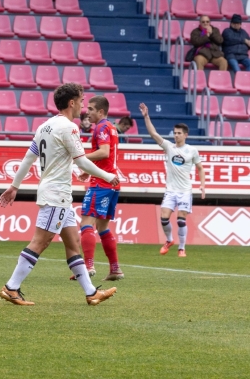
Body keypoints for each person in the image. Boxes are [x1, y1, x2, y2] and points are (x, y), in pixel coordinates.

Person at [0, 83, 119, 307]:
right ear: (72, 102)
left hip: (56, 193)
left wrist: (14, 186)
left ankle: (91, 293)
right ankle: (11, 287)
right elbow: (81, 161)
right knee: (40, 242)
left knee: (73, 243)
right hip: (57, 194)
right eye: (81, 101)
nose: (83, 105)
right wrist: (109, 176)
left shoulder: (45, 126)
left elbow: (28, 158)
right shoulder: (68, 127)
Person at [139, 103, 205, 257]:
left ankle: (182, 248)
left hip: (184, 191)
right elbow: (153, 134)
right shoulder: (169, 147)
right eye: (175, 133)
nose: (176, 135)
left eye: (179, 133)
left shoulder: (192, 151)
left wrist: (202, 185)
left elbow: (200, 168)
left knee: (181, 220)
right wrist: (146, 117)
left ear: (185, 135)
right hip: (170, 190)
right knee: (164, 217)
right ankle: (169, 240)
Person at [76, 96, 124, 281]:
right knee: (103, 226)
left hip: (101, 184)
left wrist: (82, 159)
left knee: (86, 223)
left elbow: (103, 152)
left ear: (101, 112)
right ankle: (115, 269)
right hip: (111, 182)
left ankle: (87, 266)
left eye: (91, 109)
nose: (87, 111)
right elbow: (106, 156)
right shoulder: (112, 127)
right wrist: (89, 170)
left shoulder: (101, 127)